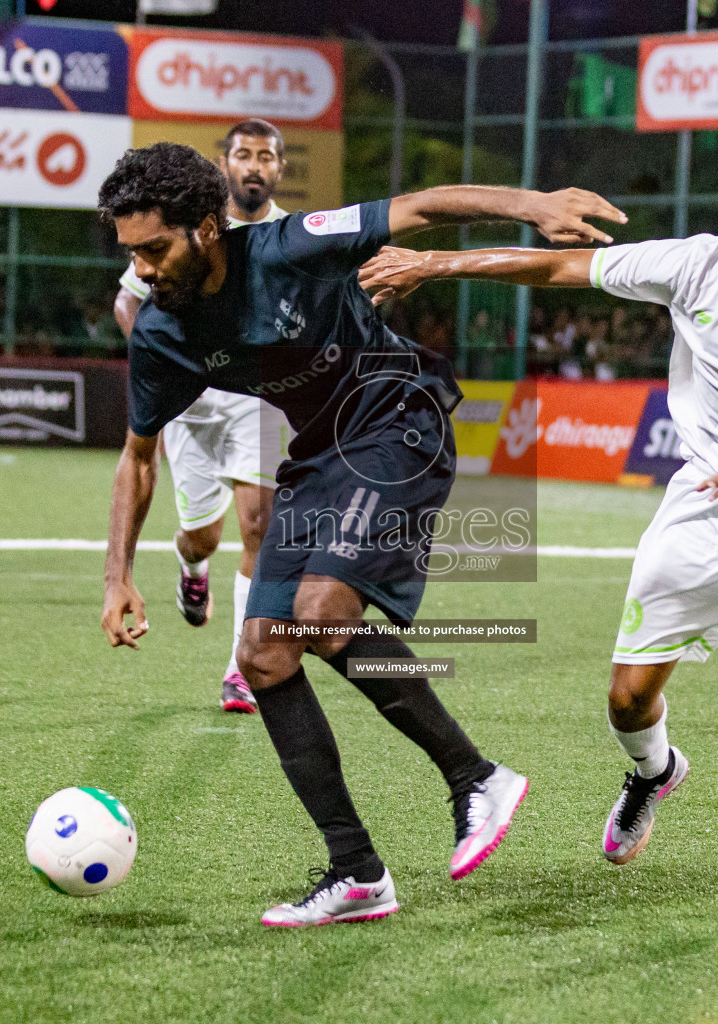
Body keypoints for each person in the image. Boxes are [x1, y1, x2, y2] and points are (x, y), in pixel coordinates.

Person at [97, 141, 624, 926]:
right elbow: (138, 458)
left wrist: (535, 203)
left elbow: (418, 206)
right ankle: (356, 872)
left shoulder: (288, 246)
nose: (140, 268)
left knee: (320, 609)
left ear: (207, 228)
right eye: (130, 252)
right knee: (264, 653)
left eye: (153, 247)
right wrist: (117, 576)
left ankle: (473, 777)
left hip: (395, 418)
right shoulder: (162, 333)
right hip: (318, 458)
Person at [361, 148, 718, 929]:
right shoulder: (694, 266)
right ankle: (654, 773)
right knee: (629, 701)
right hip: (701, 504)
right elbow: (555, 270)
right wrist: (435, 262)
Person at [111, 119, 298, 716]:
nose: (253, 165)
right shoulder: (179, 229)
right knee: (204, 533)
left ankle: (241, 664)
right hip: (192, 404)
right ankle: (192, 566)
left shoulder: (289, 237)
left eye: (265, 156)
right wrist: (162, 360)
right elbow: (127, 299)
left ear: (278, 170)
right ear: (225, 164)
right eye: (243, 154)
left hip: (255, 398)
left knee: (258, 525)